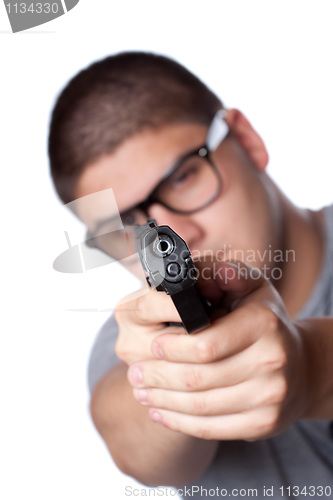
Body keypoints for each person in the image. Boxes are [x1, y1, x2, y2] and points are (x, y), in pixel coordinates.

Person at [48, 52, 333, 496]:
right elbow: (130, 443)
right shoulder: (131, 341)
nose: (177, 234)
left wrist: (313, 366)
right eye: (123, 227)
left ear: (245, 139)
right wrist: (164, 376)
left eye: (182, 178)